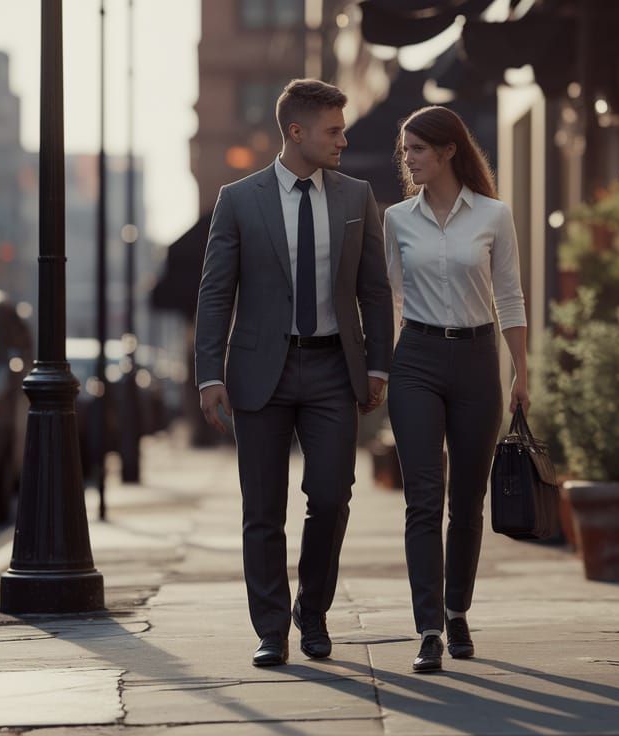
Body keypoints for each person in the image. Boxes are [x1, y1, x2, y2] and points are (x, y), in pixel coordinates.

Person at [194, 79, 394, 667]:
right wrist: (210, 374)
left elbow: (375, 291)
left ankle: (313, 610)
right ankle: (271, 628)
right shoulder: (238, 199)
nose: (343, 139)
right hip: (260, 373)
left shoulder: (357, 197)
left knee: (331, 497)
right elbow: (214, 294)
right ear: (296, 132)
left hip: (334, 368)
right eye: (333, 130)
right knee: (262, 508)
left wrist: (378, 362)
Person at [383, 105, 529, 673]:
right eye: (405, 150)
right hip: (415, 358)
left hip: (476, 360)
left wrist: (520, 370)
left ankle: (458, 610)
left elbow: (509, 296)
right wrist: (378, 367)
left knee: (466, 500)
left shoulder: (493, 215)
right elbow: (391, 297)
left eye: (417, 149)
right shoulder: (397, 218)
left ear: (448, 151)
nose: (409, 159)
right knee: (422, 498)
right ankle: (427, 628)